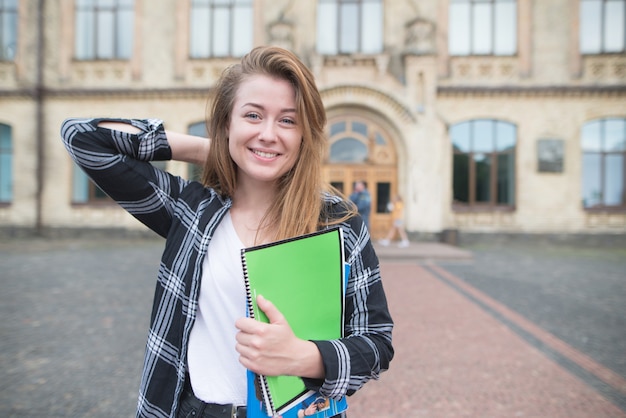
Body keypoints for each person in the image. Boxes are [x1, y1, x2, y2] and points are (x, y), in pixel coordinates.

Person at [60, 46, 393, 418]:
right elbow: (82, 138)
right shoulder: (190, 209)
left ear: (305, 134)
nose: (268, 134)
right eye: (253, 115)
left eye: (287, 121)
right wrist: (220, 150)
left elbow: (377, 344)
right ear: (226, 123)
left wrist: (305, 357)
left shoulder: (338, 223)